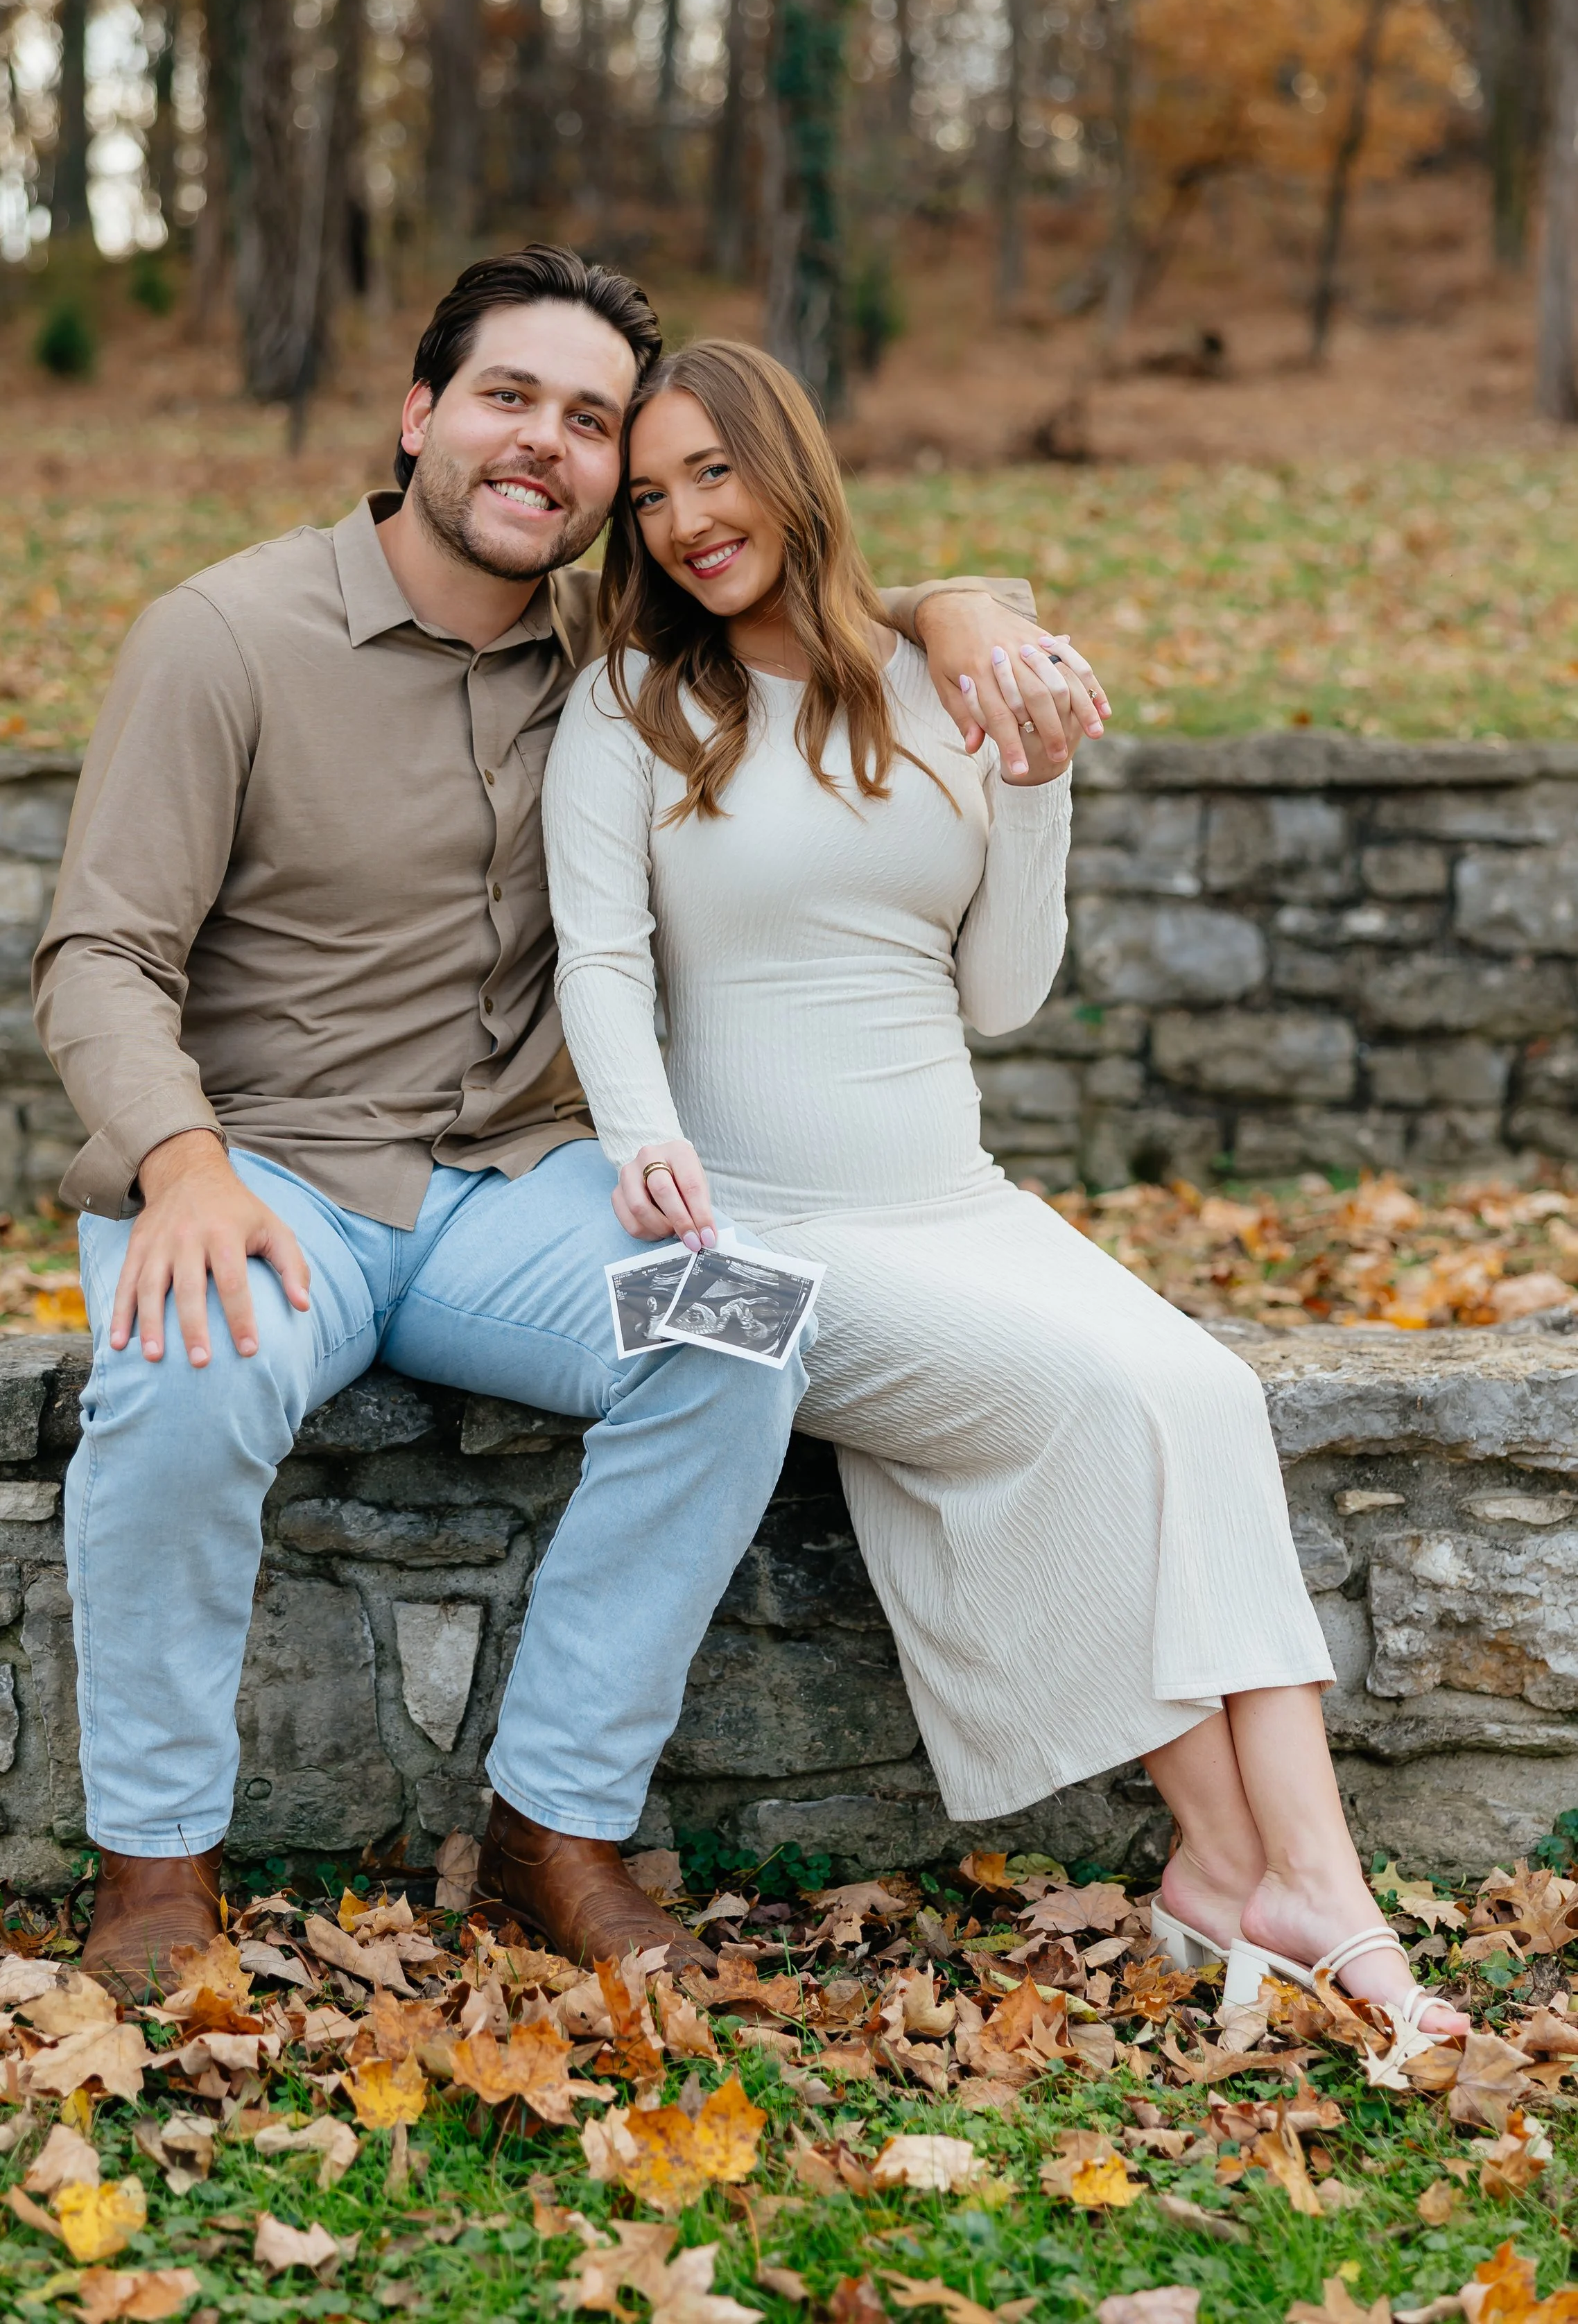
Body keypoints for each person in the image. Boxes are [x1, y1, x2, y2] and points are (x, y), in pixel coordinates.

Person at [32, 245, 1100, 1995]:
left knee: (743, 1331)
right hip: (261, 1178)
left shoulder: (619, 655)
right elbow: (99, 953)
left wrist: (966, 607)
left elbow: (813, 593)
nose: (545, 445)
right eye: (508, 398)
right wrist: (178, 1161)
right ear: (419, 416)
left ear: (614, 472)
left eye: (588, 420)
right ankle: (156, 1861)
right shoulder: (222, 638)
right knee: (185, 1370)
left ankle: (554, 1826)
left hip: (506, 1196)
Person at [540, 336, 1468, 2038]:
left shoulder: (931, 682)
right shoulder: (625, 702)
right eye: (652, 493)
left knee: (1198, 1388)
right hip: (731, 1235)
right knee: (1098, 1397)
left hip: (952, 1202)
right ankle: (1298, 1891)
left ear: (789, 467)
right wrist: (635, 1136)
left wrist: (1034, 794)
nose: (681, 520)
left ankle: (1250, 1874)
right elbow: (597, 957)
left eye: (713, 473)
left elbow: (1000, 995)